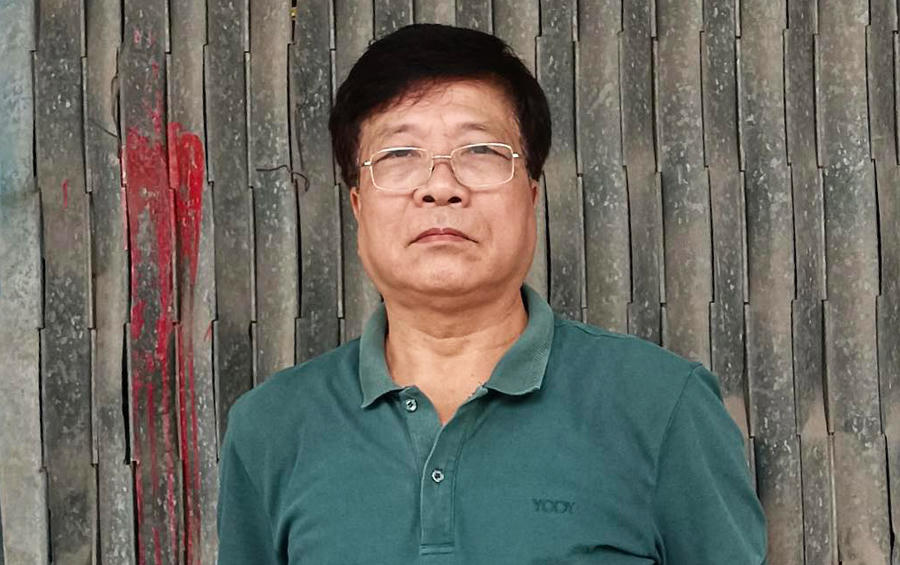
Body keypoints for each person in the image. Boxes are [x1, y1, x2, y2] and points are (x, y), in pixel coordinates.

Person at [216, 23, 767, 565]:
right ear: (358, 206)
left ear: (531, 196)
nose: (440, 187)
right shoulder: (272, 428)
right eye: (399, 154)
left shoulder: (661, 405)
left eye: (479, 150)